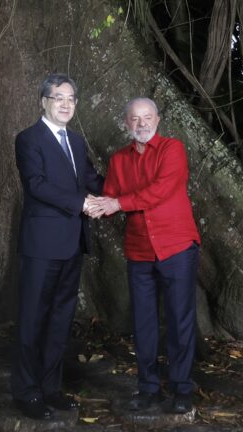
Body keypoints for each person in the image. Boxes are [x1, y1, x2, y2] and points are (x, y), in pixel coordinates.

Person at [88, 97, 201, 414]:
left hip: (176, 247)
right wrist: (89, 204)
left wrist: (117, 204)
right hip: (139, 251)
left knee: (179, 321)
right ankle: (148, 387)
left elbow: (161, 190)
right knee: (144, 323)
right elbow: (109, 199)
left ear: (157, 119)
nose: (142, 124)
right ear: (126, 124)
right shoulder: (119, 161)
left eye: (147, 117)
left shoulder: (172, 149)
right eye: (135, 119)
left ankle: (181, 390)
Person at [11, 73, 104, 420]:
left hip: (72, 245)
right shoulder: (29, 139)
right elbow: (37, 186)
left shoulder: (77, 142)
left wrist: (120, 196)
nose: (66, 103)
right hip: (41, 246)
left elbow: (93, 180)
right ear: (43, 102)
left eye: (71, 98)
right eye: (58, 97)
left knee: (60, 320)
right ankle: (26, 391)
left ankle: (51, 388)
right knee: (33, 319)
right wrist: (82, 203)